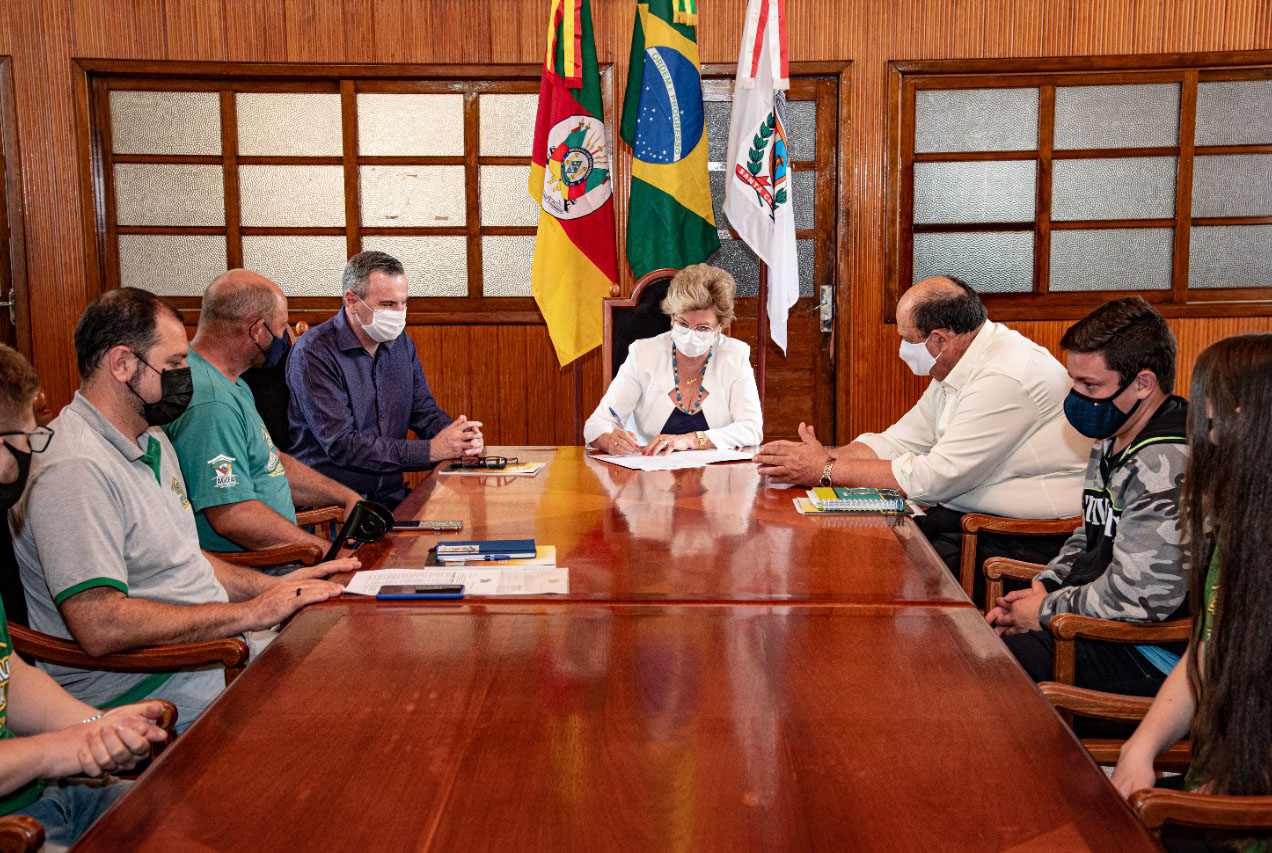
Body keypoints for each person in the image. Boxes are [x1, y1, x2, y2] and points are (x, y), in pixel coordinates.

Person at [9, 288, 356, 729]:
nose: (186, 376)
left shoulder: (149, 436)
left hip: (210, 649)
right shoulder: (75, 468)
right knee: (336, 710)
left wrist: (276, 589)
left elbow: (185, 561)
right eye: (174, 364)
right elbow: (100, 624)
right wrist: (250, 613)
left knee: (348, 659)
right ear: (122, 363)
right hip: (151, 682)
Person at [754, 275, 1088, 578]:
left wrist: (826, 469)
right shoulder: (960, 361)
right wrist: (821, 459)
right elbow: (900, 440)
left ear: (940, 340)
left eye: (907, 339)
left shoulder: (1003, 376)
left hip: (1026, 533)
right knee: (856, 544)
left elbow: (936, 478)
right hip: (967, 515)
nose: (902, 349)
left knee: (882, 567)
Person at [0, 343, 169, 851]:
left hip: (47, 795)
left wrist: (98, 725)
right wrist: (61, 750)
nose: (31, 455)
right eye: (26, 438)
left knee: (196, 815)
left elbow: (8, 676)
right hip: (17, 827)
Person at [1111, 334, 1272, 851]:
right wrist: (1140, 750)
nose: (1206, 425)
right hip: (1222, 779)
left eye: (1215, 407)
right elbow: (1204, 651)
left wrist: (1241, 789)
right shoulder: (1240, 521)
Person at [987, 297, 1189, 696]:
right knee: (981, 642)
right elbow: (1090, 535)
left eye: (1090, 385)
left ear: (1143, 384)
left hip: (1154, 653)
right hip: (1101, 624)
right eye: (1074, 382)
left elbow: (1140, 597)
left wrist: (1044, 611)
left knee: (990, 668)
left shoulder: (1165, 461)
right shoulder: (1114, 436)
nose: (1078, 397)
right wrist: (1046, 586)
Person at [163, 270, 362, 556]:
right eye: (281, 327)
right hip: (259, 567)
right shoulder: (212, 402)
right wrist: (327, 553)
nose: (286, 337)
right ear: (257, 330)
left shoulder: (230, 381)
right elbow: (233, 517)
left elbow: (271, 462)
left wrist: (345, 496)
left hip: (285, 554)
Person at [286, 251, 484, 508]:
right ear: (352, 301)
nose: (400, 313)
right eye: (388, 304)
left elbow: (423, 412)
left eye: (404, 302)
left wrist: (458, 437)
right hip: (334, 507)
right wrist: (432, 450)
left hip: (391, 497)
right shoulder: (313, 352)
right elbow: (343, 446)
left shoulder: (400, 343)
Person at [583, 264, 762, 455]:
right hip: (651, 469)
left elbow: (752, 429)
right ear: (671, 319)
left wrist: (692, 440)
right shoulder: (643, 354)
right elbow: (597, 423)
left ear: (720, 328)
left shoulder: (735, 356)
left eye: (703, 328)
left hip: (718, 472)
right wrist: (608, 440)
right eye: (683, 324)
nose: (691, 335)